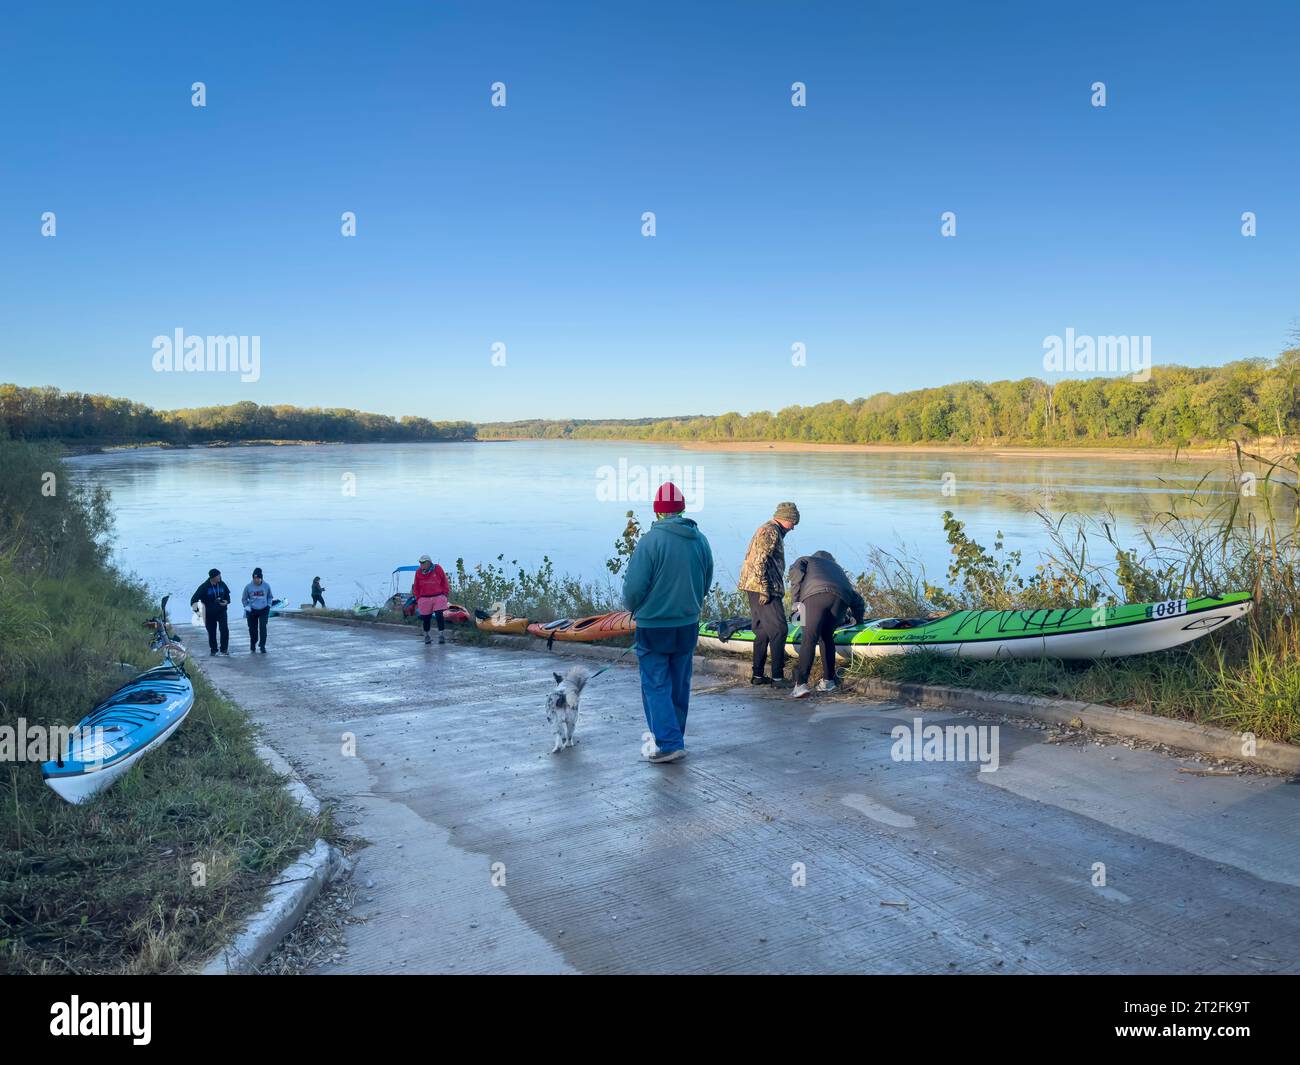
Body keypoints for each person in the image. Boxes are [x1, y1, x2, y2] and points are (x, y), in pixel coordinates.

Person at [622, 481, 713, 764]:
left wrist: (632, 608)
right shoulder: (700, 540)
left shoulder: (650, 541)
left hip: (654, 625)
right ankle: (676, 737)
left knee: (655, 683)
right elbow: (706, 579)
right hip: (687, 623)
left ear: (657, 511)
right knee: (679, 683)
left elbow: (634, 587)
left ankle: (669, 743)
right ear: (683, 508)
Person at [787, 551, 866, 698]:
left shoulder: (807, 559)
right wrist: (859, 621)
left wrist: (796, 605)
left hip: (815, 596)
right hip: (841, 599)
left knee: (809, 638)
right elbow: (858, 601)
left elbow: (796, 575)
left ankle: (801, 685)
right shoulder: (837, 570)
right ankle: (828, 681)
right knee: (827, 637)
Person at [737, 501, 800, 687]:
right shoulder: (771, 531)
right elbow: (759, 561)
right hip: (764, 588)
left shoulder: (770, 530)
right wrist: (764, 588)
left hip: (754, 586)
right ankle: (777, 678)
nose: (794, 527)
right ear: (785, 518)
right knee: (780, 630)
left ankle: (758, 675)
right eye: (793, 522)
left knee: (763, 631)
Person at [190, 568, 232, 656]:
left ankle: (224, 649)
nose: (220, 577)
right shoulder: (204, 587)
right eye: (218, 576)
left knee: (224, 629)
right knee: (212, 632)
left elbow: (228, 597)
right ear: (213, 577)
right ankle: (214, 650)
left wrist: (226, 602)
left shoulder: (222, 584)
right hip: (209, 613)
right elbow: (193, 600)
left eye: (220, 575)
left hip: (221, 611)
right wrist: (198, 612)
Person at [411, 554, 450, 645]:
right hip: (424, 598)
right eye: (420, 562)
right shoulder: (418, 572)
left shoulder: (437, 568)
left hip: (438, 596)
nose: (421, 564)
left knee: (439, 615)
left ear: (429, 562)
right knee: (426, 618)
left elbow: (444, 581)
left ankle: (441, 635)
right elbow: (416, 586)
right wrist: (418, 598)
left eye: (423, 562)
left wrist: (445, 594)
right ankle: (427, 636)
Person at [242, 567, 274, 654]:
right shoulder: (248, 587)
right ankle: (253, 643)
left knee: (263, 627)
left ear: (261, 578)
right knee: (253, 629)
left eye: (258, 578)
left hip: (263, 609)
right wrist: (246, 607)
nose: (256, 580)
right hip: (252, 610)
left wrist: (268, 605)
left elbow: (270, 597)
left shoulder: (266, 586)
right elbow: (244, 599)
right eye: (254, 578)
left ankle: (262, 645)